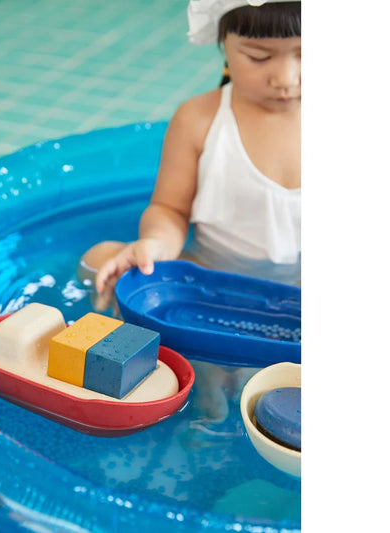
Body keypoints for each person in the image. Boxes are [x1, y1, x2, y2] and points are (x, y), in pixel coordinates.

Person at [79, 0, 301, 313]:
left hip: (301, 284)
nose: (286, 79)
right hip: (211, 276)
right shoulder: (199, 119)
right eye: (258, 57)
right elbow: (170, 208)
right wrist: (156, 245)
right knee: (99, 258)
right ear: (224, 45)